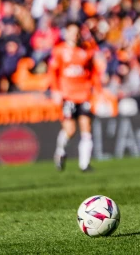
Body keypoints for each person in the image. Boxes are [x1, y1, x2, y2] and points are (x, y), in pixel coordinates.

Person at [49, 23, 102, 172]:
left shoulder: (86, 50)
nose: (75, 35)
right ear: (66, 34)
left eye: (77, 32)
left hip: (84, 94)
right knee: (70, 130)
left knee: (86, 128)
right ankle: (60, 152)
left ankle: (84, 165)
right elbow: (53, 72)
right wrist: (56, 91)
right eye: (72, 32)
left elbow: (93, 72)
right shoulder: (59, 51)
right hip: (68, 95)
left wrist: (97, 89)